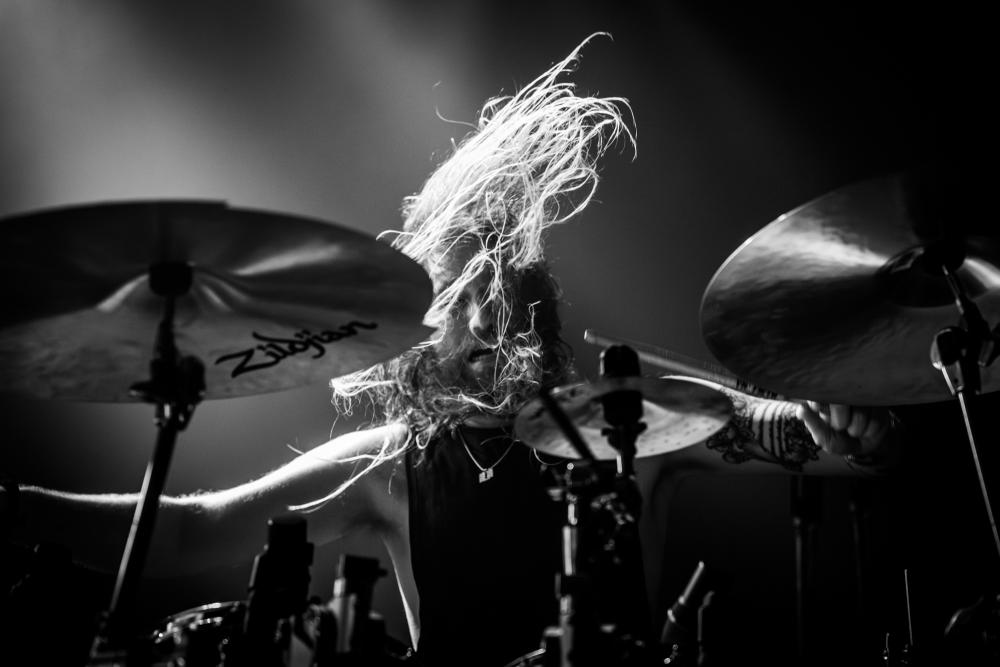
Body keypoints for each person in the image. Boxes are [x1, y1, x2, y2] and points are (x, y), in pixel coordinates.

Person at [0, 36, 898, 667]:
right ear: (421, 325)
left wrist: (848, 430)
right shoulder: (392, 469)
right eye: (457, 301)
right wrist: (18, 505)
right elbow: (195, 525)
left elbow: (820, 444)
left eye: (497, 299)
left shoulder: (635, 428)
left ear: (534, 313)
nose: (479, 325)